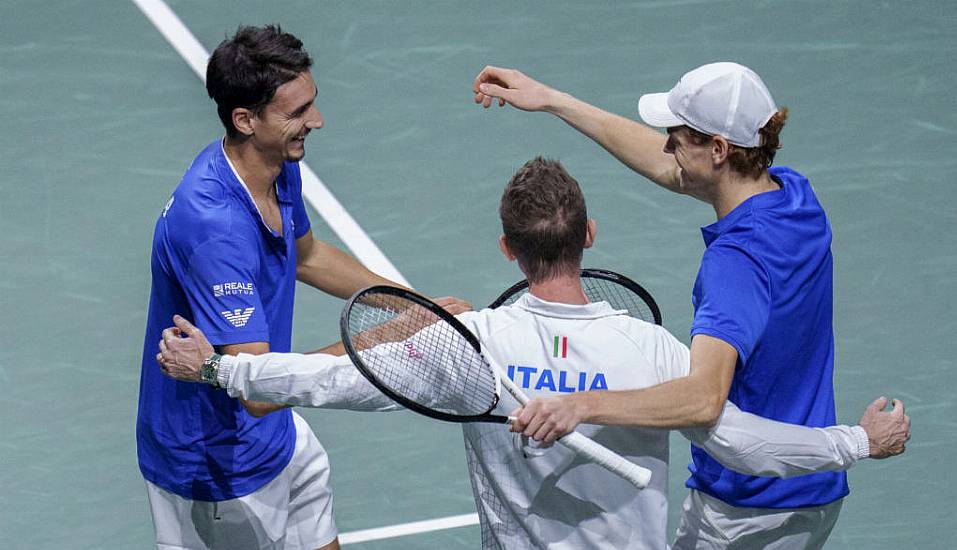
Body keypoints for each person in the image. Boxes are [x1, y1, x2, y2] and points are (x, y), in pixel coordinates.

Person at [156, 158, 908, 550]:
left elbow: (332, 379)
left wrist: (220, 368)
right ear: (587, 236)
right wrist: (856, 443)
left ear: (508, 251)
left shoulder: (476, 345)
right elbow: (742, 443)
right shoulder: (651, 350)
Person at [472, 63, 911, 547]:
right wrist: (555, 100)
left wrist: (580, 405)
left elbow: (703, 400)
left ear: (719, 150)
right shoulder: (792, 195)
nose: (665, 147)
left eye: (677, 136)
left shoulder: (734, 266)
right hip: (810, 484)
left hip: (750, 508)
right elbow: (672, 171)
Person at [136, 25, 466, 550]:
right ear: (245, 120)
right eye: (296, 113)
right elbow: (259, 388)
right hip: (217, 467)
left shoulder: (273, 165)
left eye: (311, 104)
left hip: (277, 438)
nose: (315, 121)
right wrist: (393, 333)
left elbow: (307, 256)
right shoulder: (213, 226)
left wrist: (409, 304)